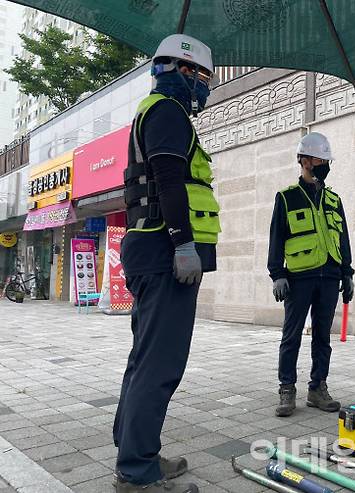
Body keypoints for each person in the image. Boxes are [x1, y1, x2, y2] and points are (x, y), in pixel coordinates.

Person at [114, 34, 220, 493]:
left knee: (145, 359)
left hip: (150, 249)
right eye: (202, 76)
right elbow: (170, 182)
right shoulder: (168, 112)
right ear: (183, 70)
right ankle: (137, 473)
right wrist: (182, 242)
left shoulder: (153, 110)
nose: (204, 86)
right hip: (164, 252)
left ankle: (136, 449)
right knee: (160, 364)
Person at [268, 132, 354, 417]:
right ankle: (287, 388)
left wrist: (347, 273)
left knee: (322, 336)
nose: (324, 164)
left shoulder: (333, 199)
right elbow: (276, 238)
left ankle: (318, 387)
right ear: (304, 160)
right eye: (319, 159)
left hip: (329, 276)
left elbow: (343, 238)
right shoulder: (287, 198)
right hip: (299, 277)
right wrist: (277, 274)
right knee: (291, 335)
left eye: (326, 160)